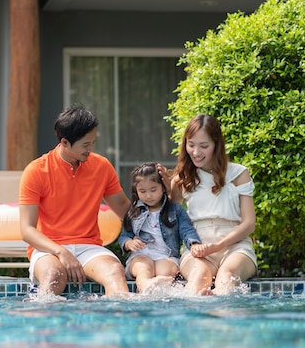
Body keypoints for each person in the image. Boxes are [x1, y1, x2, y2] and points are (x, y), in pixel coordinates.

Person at [18, 104, 132, 297]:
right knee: (54, 275)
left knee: (114, 272)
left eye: (93, 142)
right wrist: (62, 253)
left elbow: (123, 207)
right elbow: (27, 230)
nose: (91, 149)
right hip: (50, 250)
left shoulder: (102, 166)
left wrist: (160, 208)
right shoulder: (36, 170)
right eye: (86, 145)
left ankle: (118, 324)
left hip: (89, 248)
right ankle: (42, 323)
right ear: (64, 142)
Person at [170, 114, 257, 295]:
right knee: (199, 275)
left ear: (216, 145)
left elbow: (249, 224)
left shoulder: (239, 174)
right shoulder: (181, 179)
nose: (196, 152)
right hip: (197, 249)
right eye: (191, 144)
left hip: (236, 248)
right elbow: (171, 222)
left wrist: (217, 246)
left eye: (204, 146)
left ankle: (220, 314)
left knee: (227, 275)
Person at [119, 162, 202, 294]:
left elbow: (186, 229)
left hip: (166, 255)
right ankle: (145, 285)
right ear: (136, 191)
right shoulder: (134, 212)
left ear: (163, 187)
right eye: (143, 191)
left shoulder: (175, 210)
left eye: (153, 190)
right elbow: (125, 235)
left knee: (166, 271)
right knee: (143, 268)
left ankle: (161, 290)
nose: (148, 196)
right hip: (141, 255)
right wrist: (129, 243)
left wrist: (193, 243)